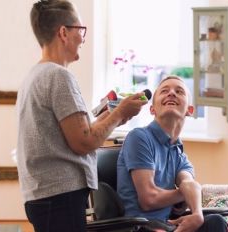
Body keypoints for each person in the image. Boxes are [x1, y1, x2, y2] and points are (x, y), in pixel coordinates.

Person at [16, 1, 147, 231]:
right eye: (81, 30)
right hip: (60, 196)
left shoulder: (34, 75)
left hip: (43, 195)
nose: (83, 39)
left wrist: (110, 118)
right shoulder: (59, 77)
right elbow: (84, 142)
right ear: (64, 33)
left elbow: (69, 136)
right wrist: (118, 114)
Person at [117, 76, 228, 232]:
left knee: (215, 222)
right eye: (164, 91)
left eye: (179, 91)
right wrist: (184, 194)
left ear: (189, 110)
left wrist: (197, 214)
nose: (171, 93)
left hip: (167, 224)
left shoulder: (178, 152)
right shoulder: (139, 137)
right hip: (141, 227)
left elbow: (190, 183)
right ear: (152, 109)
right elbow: (148, 199)